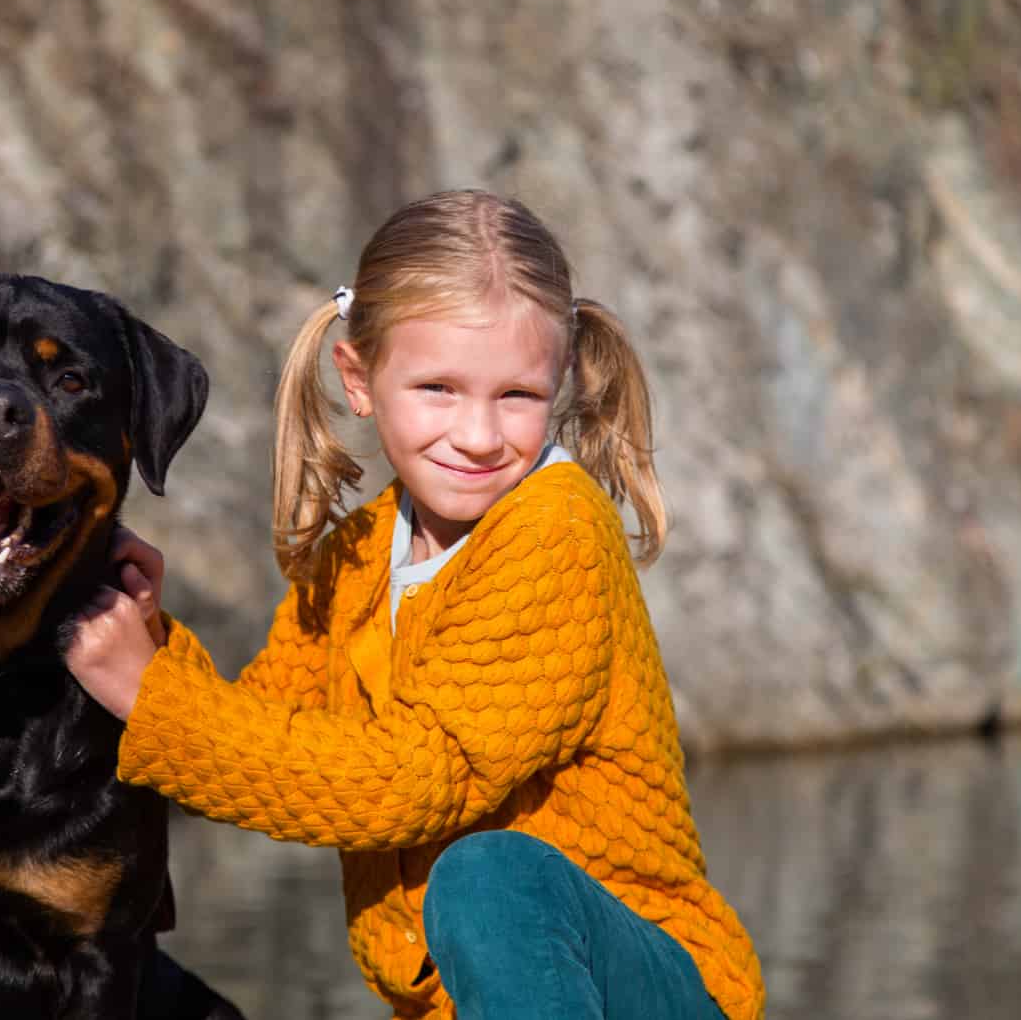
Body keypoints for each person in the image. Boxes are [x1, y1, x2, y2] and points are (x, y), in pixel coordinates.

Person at [68, 189, 764, 1020]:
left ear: (561, 386)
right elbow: (250, 733)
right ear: (359, 380)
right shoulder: (358, 550)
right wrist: (150, 640)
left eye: (518, 396)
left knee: (487, 875)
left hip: (639, 986)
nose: (477, 435)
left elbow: (414, 777)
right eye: (437, 388)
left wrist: (147, 696)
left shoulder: (556, 529)